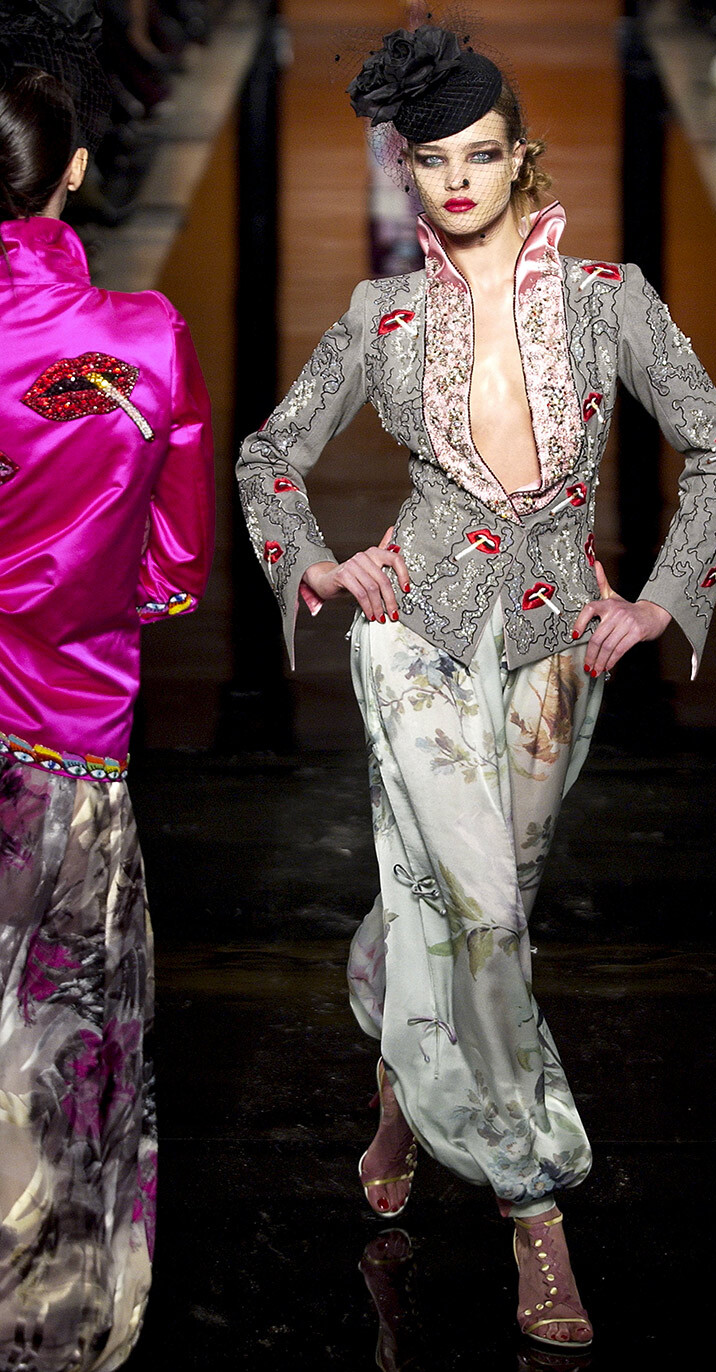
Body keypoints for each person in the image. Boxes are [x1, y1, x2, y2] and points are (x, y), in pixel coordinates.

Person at [237, 19, 716, 1353]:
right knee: (481, 912)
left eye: (480, 156)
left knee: (490, 900)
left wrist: (658, 602)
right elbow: (270, 456)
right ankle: (537, 1215)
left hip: (547, 650)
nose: (457, 181)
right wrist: (322, 570)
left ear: (522, 160)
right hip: (412, 638)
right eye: (432, 161)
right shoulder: (381, 315)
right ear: (406, 176)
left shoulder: (609, 300)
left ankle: (406, 1085)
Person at [0, 17, 215, 1369]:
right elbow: (172, 567)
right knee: (64, 1042)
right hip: (67, 741)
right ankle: (53, 1319)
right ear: (75, 171)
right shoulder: (139, 342)